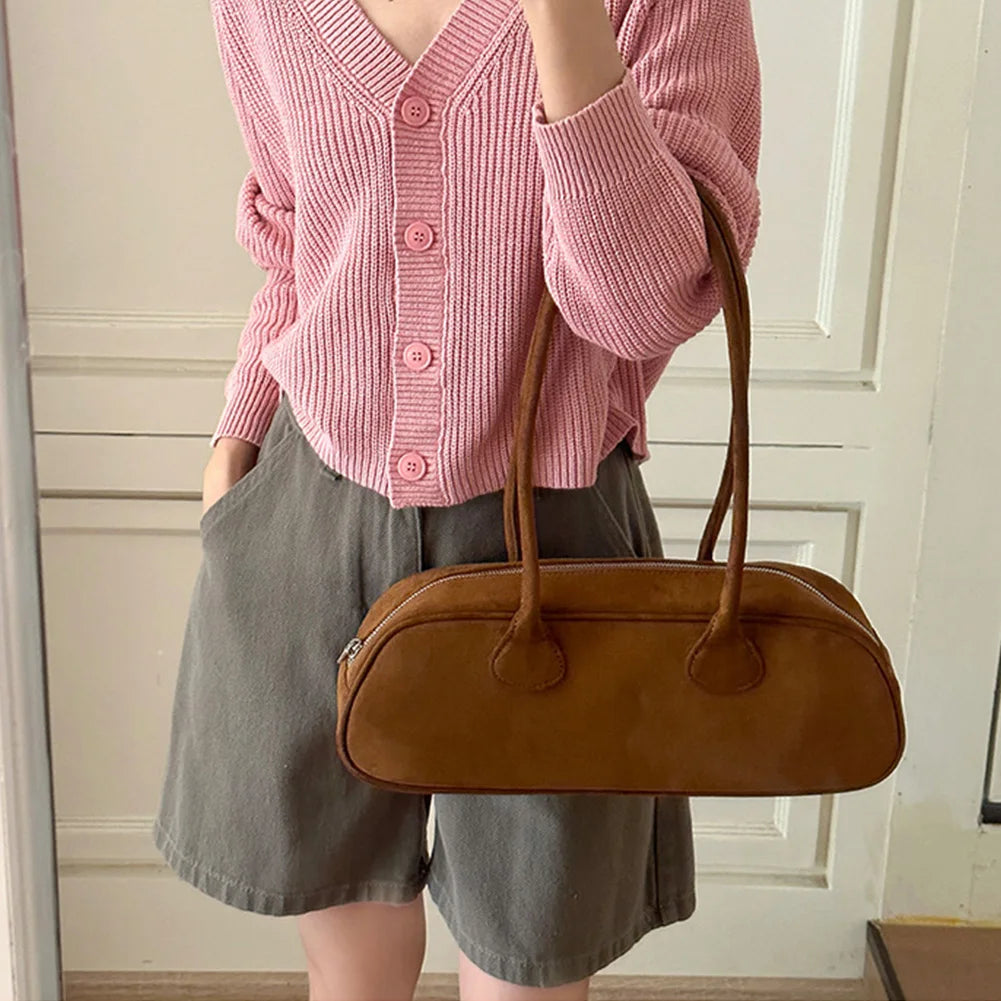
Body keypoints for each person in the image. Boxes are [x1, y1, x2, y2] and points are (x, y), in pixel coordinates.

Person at [152, 0, 762, 998]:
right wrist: (239, 430)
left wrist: (564, 21)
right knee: (345, 954)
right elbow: (294, 237)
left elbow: (643, 302)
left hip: (554, 543)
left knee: (528, 961)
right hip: (309, 513)